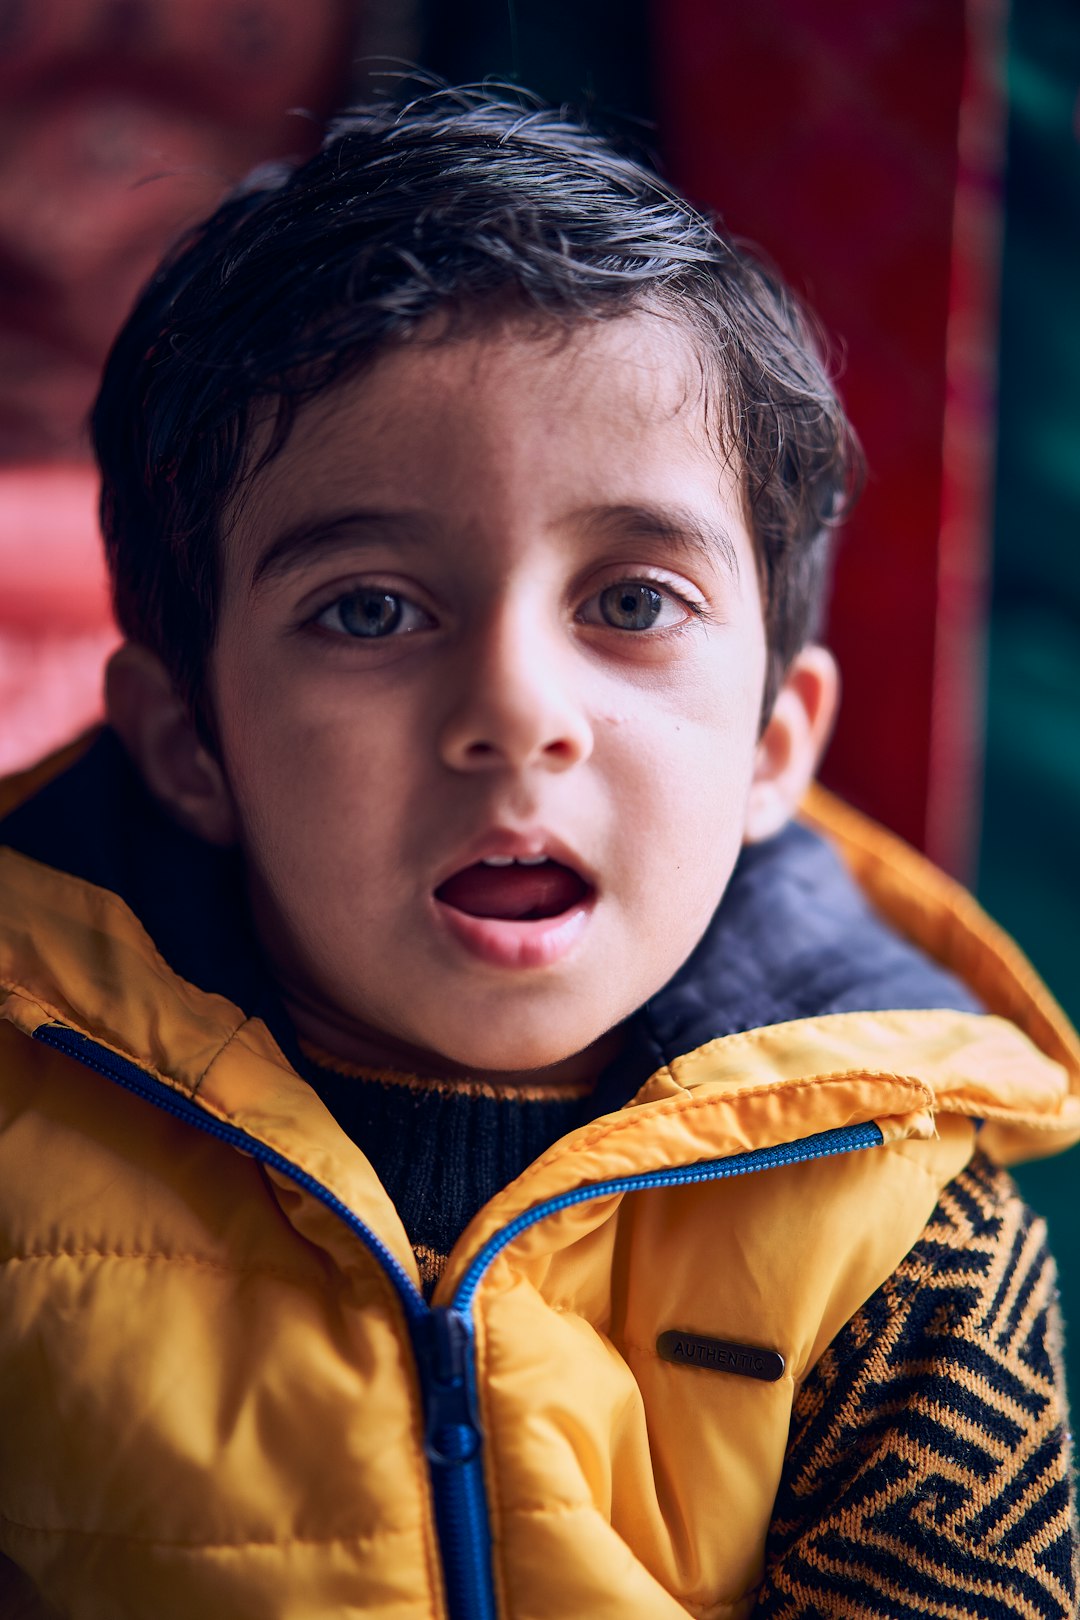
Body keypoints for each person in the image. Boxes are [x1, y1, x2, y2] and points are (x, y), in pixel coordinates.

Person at [0, 88, 1076, 1620]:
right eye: (370, 609)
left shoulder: (906, 1236)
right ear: (191, 742)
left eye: (632, 602)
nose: (515, 713)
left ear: (775, 743)